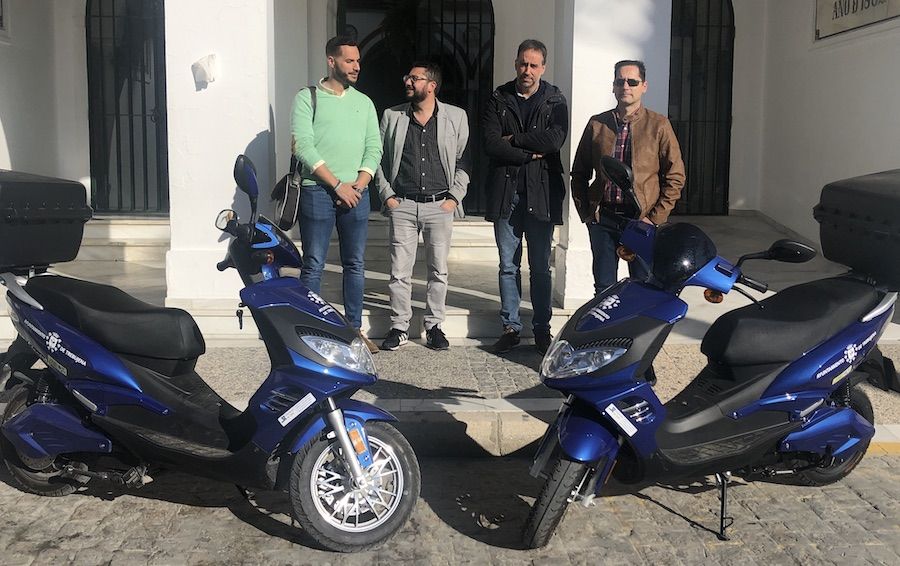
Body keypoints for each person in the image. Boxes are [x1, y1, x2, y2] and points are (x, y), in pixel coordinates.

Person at [291, 35, 382, 352]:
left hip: (356, 193)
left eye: (358, 61)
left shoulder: (365, 103)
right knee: (313, 264)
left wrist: (358, 183)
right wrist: (336, 184)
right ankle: (309, 331)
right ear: (331, 61)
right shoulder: (307, 98)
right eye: (349, 61)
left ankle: (354, 331)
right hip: (318, 191)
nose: (357, 66)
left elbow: (374, 148)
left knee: (354, 264)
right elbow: (304, 146)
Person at [375, 62, 471, 351]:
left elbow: (464, 160)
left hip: (439, 204)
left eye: (414, 78)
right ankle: (399, 326)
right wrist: (387, 195)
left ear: (431, 85)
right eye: (407, 77)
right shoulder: (392, 116)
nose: (408, 81)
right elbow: (376, 157)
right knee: (399, 272)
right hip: (402, 203)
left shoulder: (456, 116)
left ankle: (434, 326)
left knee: (438, 270)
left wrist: (454, 198)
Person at [482, 39, 569, 355]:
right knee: (507, 264)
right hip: (507, 193)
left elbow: (555, 139)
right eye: (522, 63)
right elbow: (491, 144)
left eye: (533, 65)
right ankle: (511, 327)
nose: (527, 70)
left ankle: (542, 328)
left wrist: (515, 140)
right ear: (515, 63)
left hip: (541, 193)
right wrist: (529, 153)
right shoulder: (499, 98)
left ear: (542, 68)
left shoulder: (554, 101)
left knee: (540, 267)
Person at [571, 59, 685, 294]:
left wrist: (654, 219)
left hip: (641, 221)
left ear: (644, 86)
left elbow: (675, 176)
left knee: (643, 287)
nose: (626, 86)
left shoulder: (659, 125)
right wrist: (587, 214)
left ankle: (634, 332)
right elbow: (579, 173)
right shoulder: (597, 124)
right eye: (620, 81)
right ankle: (606, 332)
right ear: (613, 86)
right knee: (603, 289)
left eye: (632, 81)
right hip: (604, 219)